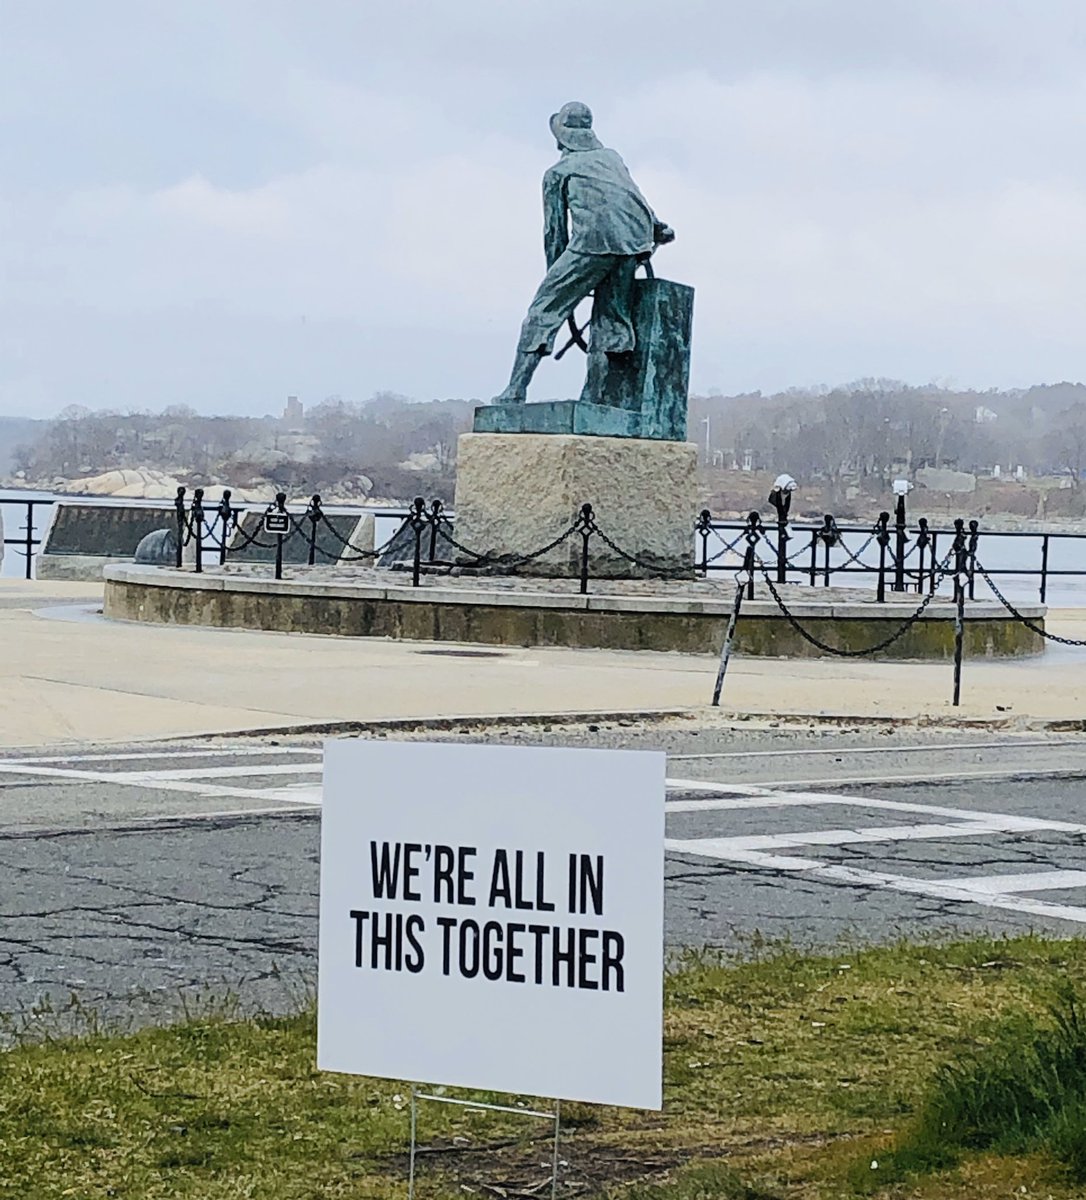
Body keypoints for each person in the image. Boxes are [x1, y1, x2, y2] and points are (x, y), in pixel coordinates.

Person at [493, 101, 674, 404]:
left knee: (542, 312)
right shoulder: (612, 158)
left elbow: (554, 233)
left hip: (593, 244)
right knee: (612, 321)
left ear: (561, 138)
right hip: (632, 244)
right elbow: (634, 197)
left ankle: (514, 392)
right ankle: (594, 398)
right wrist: (656, 228)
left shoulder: (557, 172)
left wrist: (556, 279)